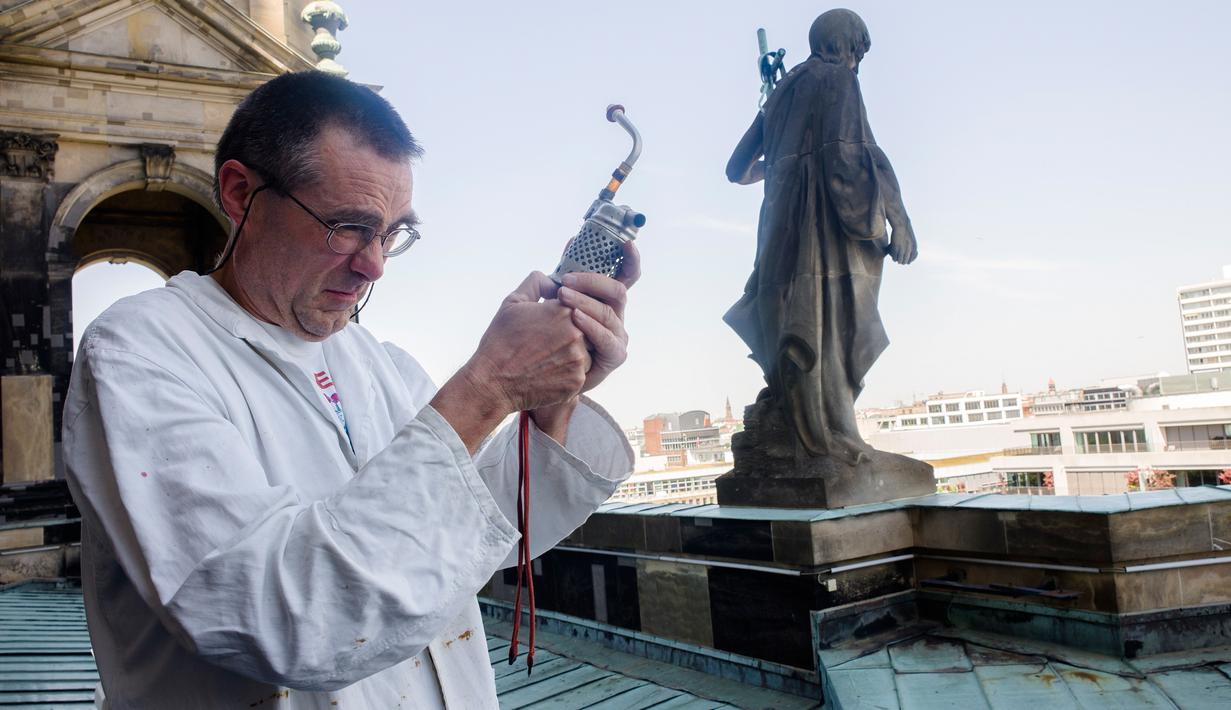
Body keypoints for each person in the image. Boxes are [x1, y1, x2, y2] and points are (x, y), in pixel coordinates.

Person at [62, 71, 637, 708]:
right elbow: (280, 622)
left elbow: (478, 533)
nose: (375, 265)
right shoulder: (141, 353)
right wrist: (488, 387)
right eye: (346, 226)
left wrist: (549, 401)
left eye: (392, 233)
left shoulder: (381, 364)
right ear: (239, 192)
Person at [723, 9, 917, 463]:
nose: (857, 62)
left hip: (776, 240)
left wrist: (785, 161)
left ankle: (808, 437)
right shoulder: (838, 80)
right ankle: (833, 439)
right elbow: (852, 158)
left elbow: (736, 169)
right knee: (830, 327)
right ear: (847, 45)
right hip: (821, 233)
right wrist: (894, 219)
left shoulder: (783, 89)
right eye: (858, 52)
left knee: (797, 328)